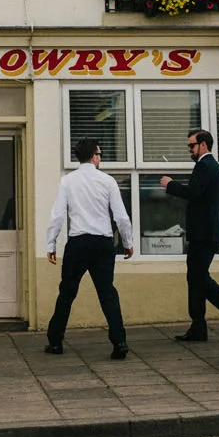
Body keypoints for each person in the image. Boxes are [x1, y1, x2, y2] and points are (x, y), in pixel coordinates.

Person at [45, 137, 135, 359]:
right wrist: (128, 242)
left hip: (78, 242)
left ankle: (55, 341)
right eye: (100, 154)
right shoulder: (108, 181)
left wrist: (51, 243)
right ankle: (120, 342)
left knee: (67, 293)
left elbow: (57, 215)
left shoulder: (67, 181)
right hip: (102, 243)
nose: (100, 158)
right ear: (94, 157)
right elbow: (121, 216)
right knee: (107, 293)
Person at [159, 128, 219, 342]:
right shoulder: (211, 167)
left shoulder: (205, 166)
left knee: (199, 278)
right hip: (207, 232)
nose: (189, 149)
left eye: (192, 145)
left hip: (204, 234)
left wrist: (170, 184)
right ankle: (198, 326)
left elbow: (193, 193)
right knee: (195, 278)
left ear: (204, 145)